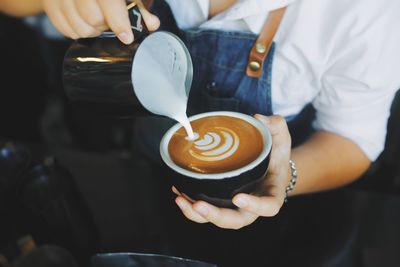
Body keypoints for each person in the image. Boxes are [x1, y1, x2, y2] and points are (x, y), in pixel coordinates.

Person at [2, 0, 400, 232]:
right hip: (145, 182)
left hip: (281, 219)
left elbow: (354, 138)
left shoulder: (365, 10)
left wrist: (285, 177)